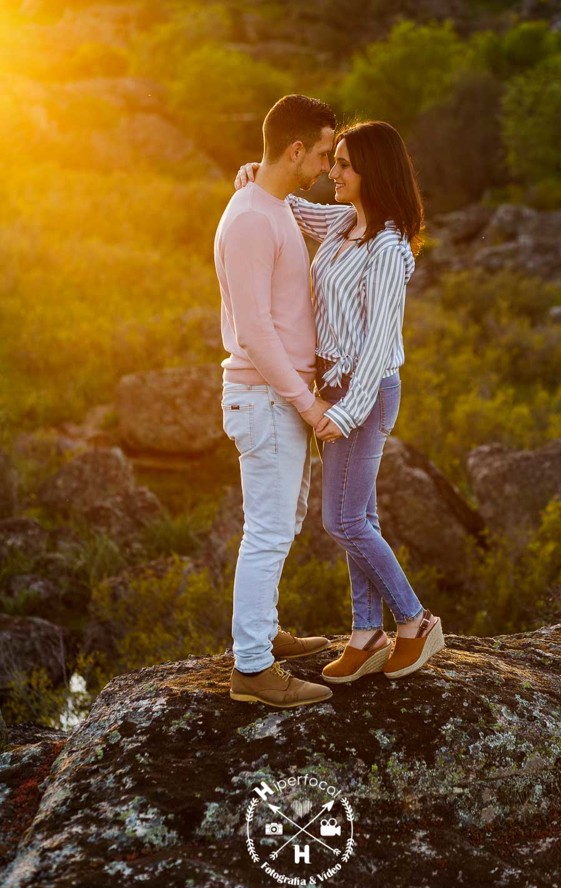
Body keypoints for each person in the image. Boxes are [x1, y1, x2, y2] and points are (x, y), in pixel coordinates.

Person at [235, 121, 445, 686]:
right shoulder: (345, 222)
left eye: (345, 164)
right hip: (335, 387)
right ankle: (365, 633)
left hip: (365, 394)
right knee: (362, 515)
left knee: (344, 519)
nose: (334, 171)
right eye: (335, 160)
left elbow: (380, 342)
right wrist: (257, 177)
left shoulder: (388, 245)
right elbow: (293, 210)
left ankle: (415, 621)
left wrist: (346, 411)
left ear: (371, 174)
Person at [214, 94, 338, 709]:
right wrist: (307, 404)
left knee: (281, 523)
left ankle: (263, 634)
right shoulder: (250, 220)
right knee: (265, 531)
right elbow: (257, 332)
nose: (325, 165)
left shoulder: (270, 205)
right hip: (265, 398)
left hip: (278, 398)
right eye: (320, 153)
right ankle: (254, 669)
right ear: (295, 150)